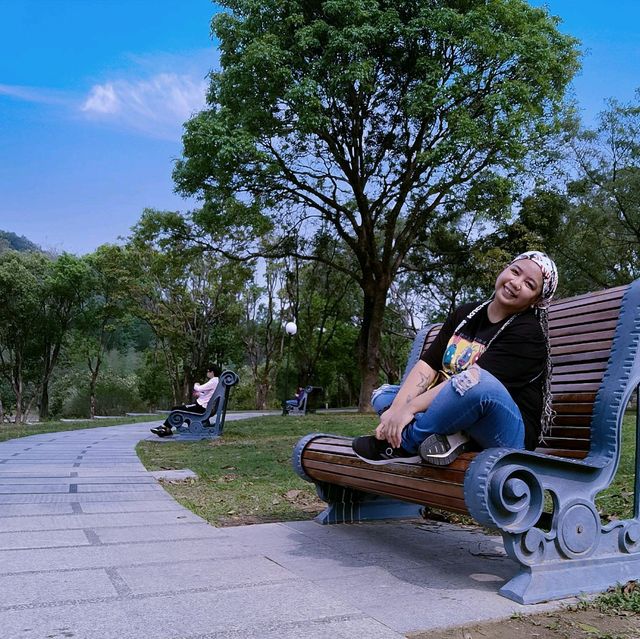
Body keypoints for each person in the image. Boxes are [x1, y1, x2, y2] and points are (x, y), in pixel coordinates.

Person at [352, 251, 558, 466]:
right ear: (505, 269)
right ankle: (454, 438)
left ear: (536, 300)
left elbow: (474, 382)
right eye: (515, 271)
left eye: (529, 285)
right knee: (384, 395)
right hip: (457, 405)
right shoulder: (466, 313)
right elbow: (428, 364)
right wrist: (396, 410)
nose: (516, 283)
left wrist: (409, 410)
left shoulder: (527, 334)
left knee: (477, 383)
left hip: (507, 432)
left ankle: (403, 444)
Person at [150, 364, 222, 438]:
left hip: (200, 408)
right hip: (202, 406)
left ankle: (165, 429)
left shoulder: (214, 381)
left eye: (208, 371)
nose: (207, 373)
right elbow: (208, 396)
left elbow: (199, 388)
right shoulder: (216, 381)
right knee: (176, 409)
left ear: (212, 372)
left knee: (176, 410)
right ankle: (166, 428)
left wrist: (196, 385)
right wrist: (199, 394)